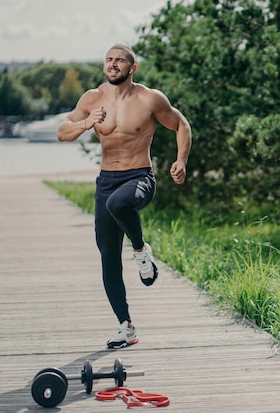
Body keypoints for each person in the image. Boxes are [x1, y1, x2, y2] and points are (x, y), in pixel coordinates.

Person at [57, 44, 192, 349]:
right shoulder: (92, 99)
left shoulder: (149, 98)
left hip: (138, 177)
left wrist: (181, 160)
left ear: (132, 68)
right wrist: (85, 123)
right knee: (107, 257)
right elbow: (63, 131)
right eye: (108, 60)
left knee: (118, 203)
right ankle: (126, 326)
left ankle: (141, 250)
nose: (112, 64)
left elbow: (180, 124)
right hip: (106, 178)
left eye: (119, 60)